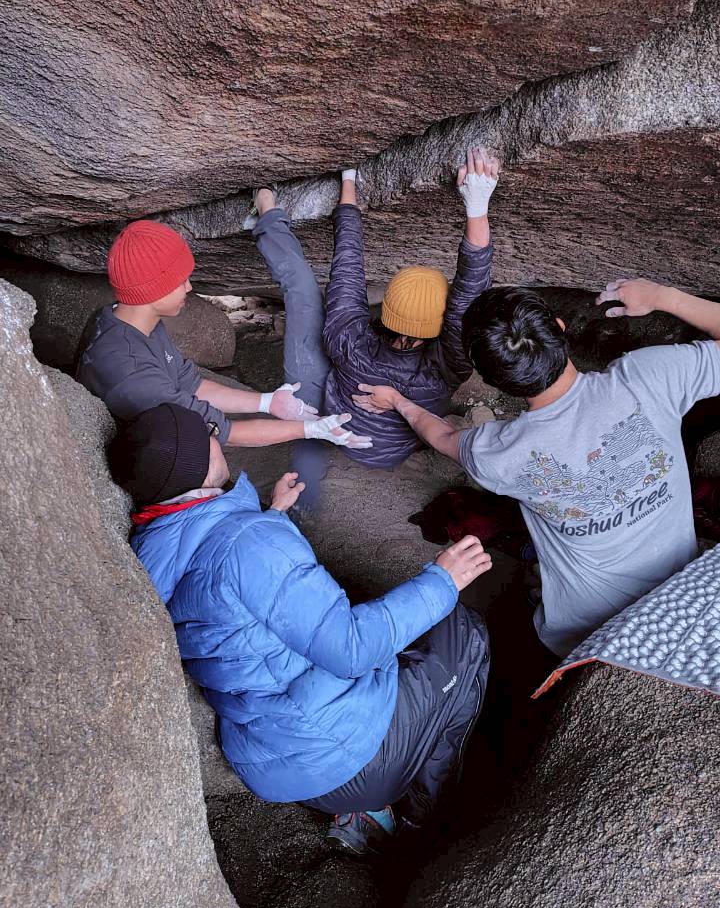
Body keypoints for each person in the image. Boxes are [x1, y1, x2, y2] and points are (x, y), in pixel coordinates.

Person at [107, 403, 493, 856]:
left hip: (278, 763)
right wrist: (441, 581)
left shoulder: (154, 549)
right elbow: (350, 648)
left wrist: (272, 516)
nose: (218, 436)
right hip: (352, 758)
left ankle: (369, 805)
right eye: (209, 432)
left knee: (391, 631)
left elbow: (230, 592)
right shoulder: (250, 543)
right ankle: (419, 813)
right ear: (196, 462)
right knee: (466, 631)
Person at [352, 279, 720, 658]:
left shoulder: (498, 452)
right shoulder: (648, 377)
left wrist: (397, 400)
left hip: (583, 636)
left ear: (492, 379)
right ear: (560, 328)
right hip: (682, 597)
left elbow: (442, 435)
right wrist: (662, 296)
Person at [247, 149, 497, 474]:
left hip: (328, 421)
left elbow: (347, 263)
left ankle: (266, 206)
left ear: (387, 307)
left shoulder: (349, 340)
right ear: (442, 323)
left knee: (302, 293)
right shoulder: (451, 365)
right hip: (387, 454)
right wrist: (477, 206)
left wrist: (348, 178)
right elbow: (470, 293)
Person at [77, 217, 369, 456]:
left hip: (157, 428)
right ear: (152, 291)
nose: (189, 287)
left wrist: (268, 403)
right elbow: (225, 432)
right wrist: (312, 430)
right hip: (144, 457)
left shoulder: (127, 320)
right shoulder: (132, 373)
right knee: (215, 459)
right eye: (180, 281)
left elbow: (189, 383)